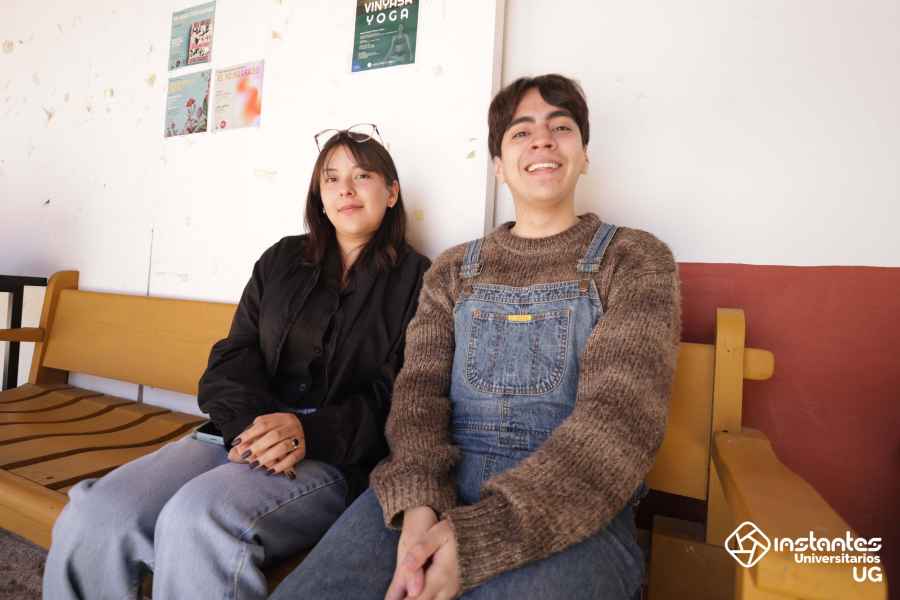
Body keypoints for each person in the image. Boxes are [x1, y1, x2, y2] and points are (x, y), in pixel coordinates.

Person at [270, 74, 681, 600]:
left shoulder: (635, 259)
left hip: (576, 507)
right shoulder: (453, 270)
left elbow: (619, 422)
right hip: (437, 486)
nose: (542, 140)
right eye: (521, 132)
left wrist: (477, 538)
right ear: (498, 165)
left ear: (584, 155)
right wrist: (418, 507)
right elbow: (417, 396)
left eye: (561, 127)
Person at [42, 125, 431, 600]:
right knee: (99, 512)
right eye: (331, 178)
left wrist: (305, 432)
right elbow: (235, 354)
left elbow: (402, 397)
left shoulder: (420, 280)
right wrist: (251, 426)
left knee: (198, 519)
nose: (345, 189)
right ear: (320, 195)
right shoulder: (282, 259)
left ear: (391, 193)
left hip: (330, 455)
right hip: (237, 433)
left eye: (362, 175)